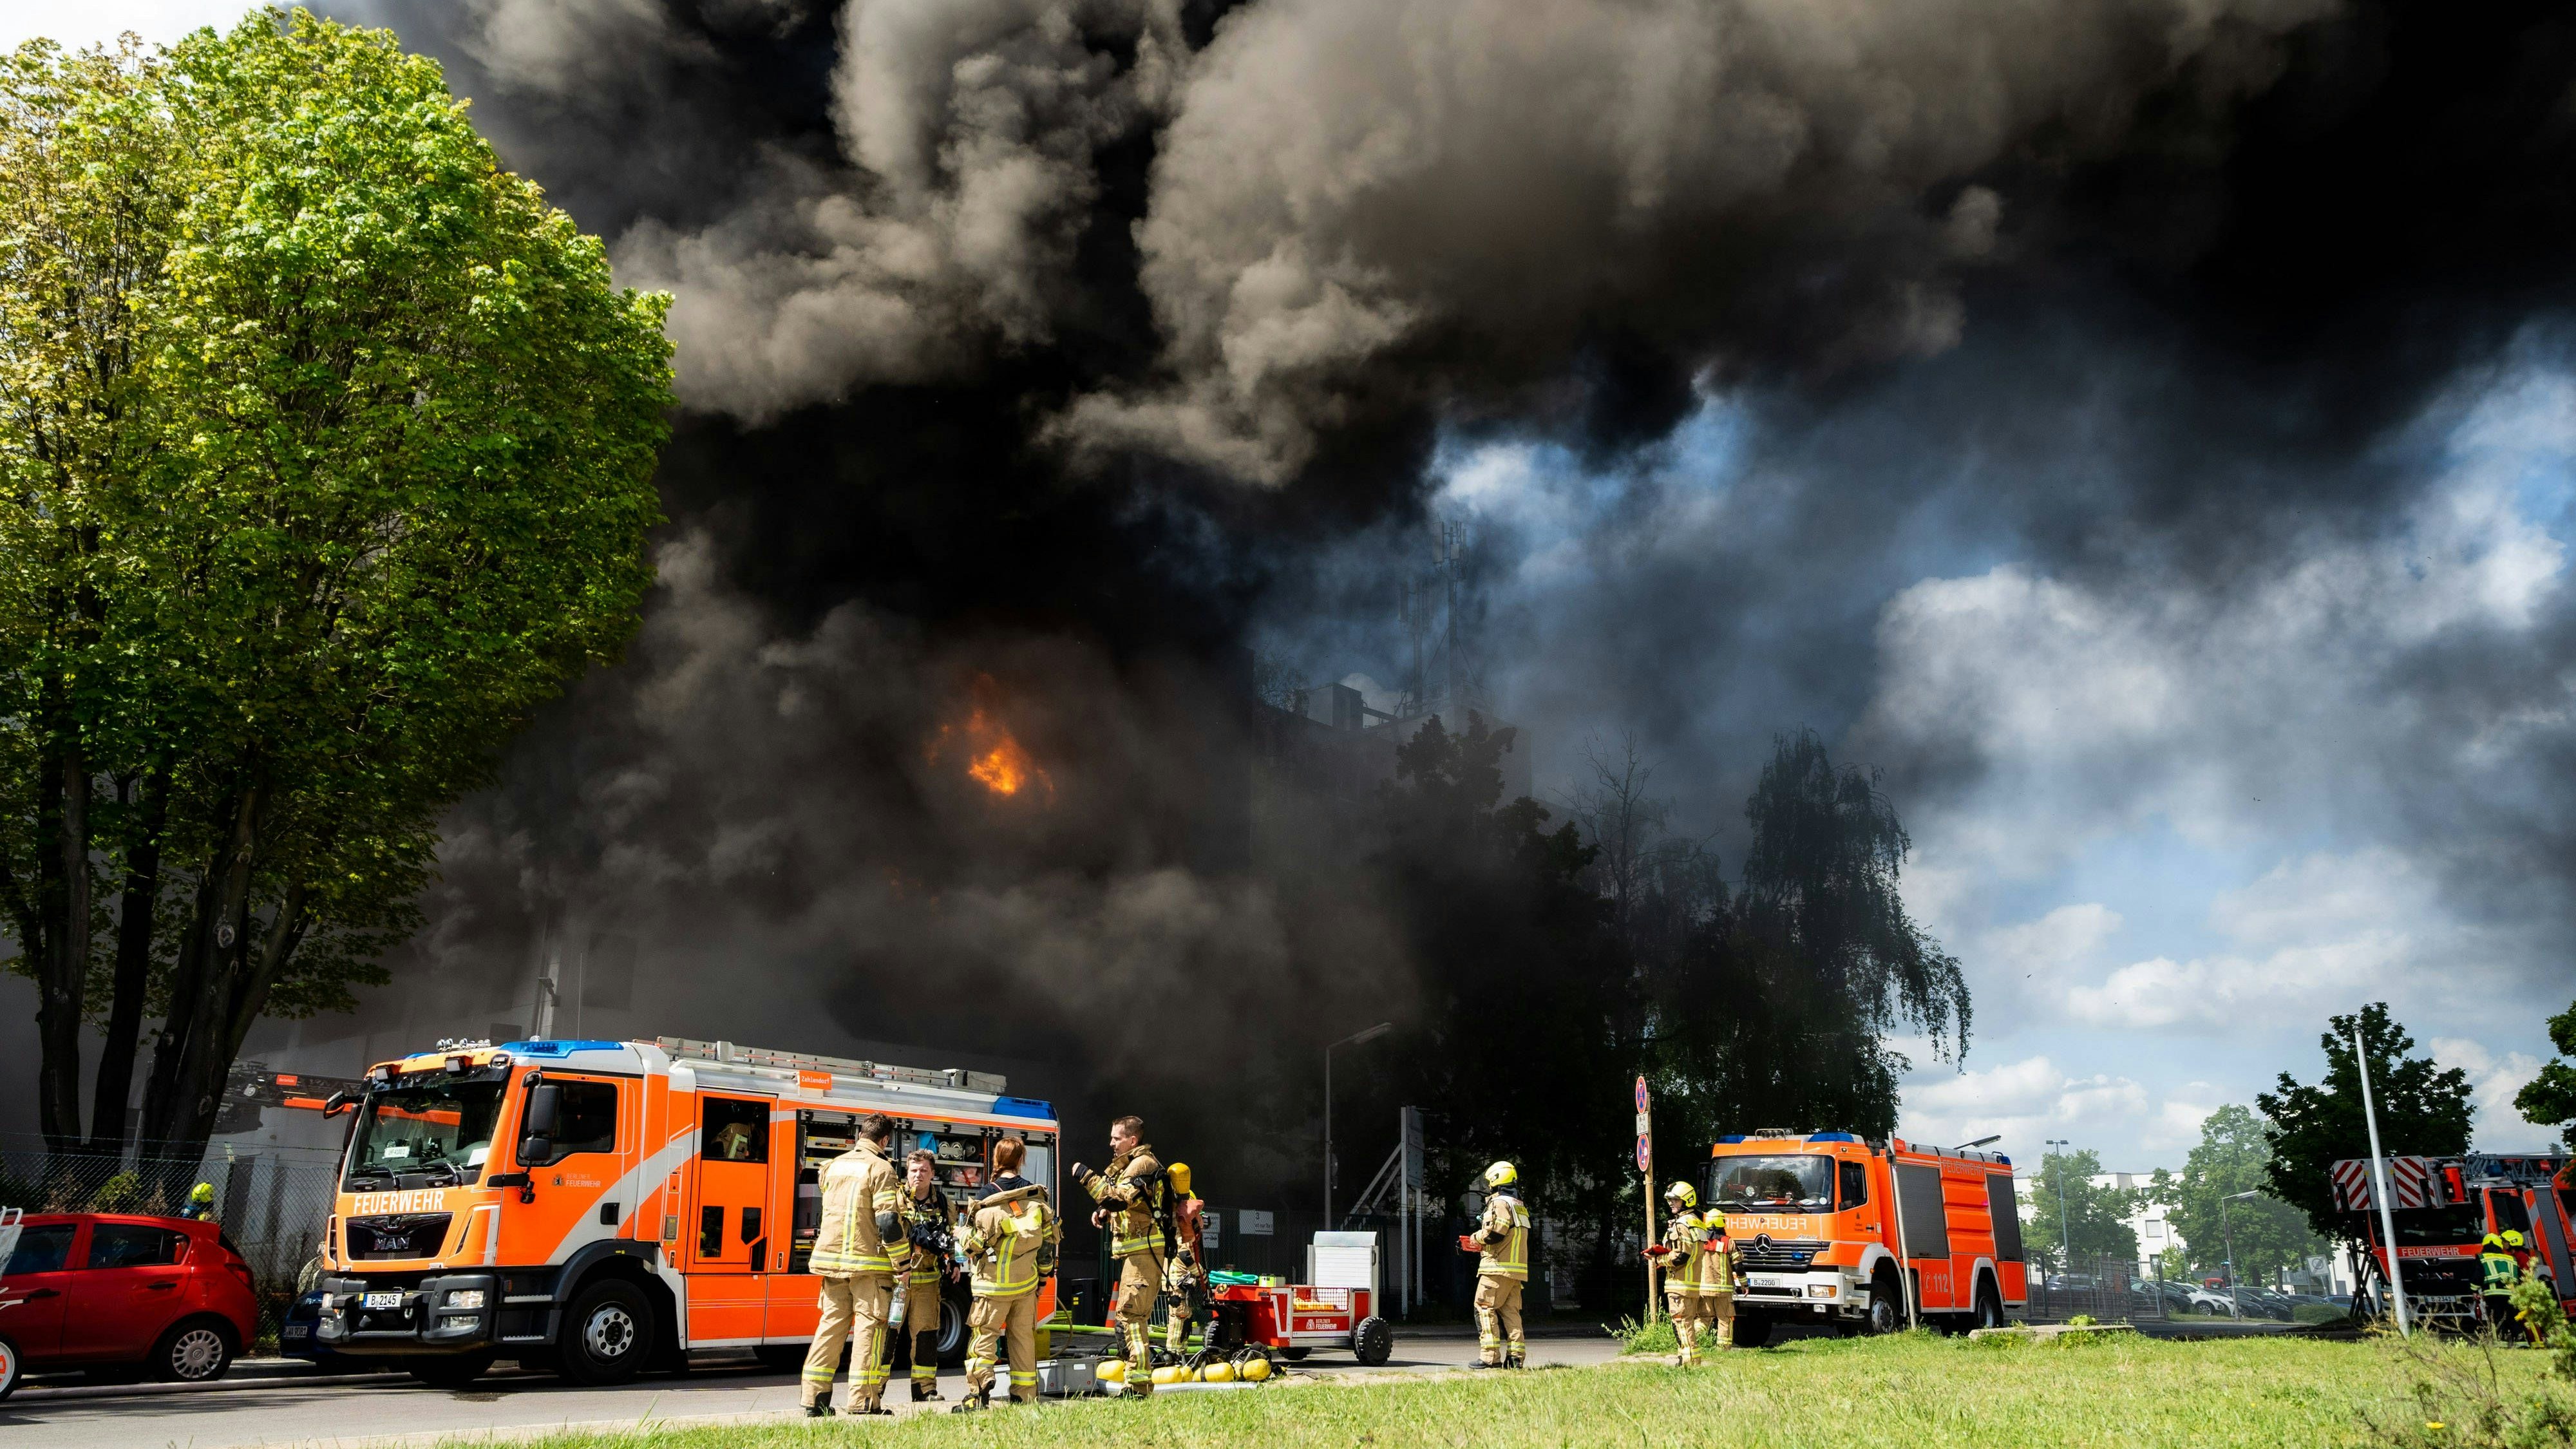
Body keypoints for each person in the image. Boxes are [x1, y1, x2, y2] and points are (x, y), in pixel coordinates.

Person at [802, 1112, 909, 1418]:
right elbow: (888, 1221)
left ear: (861, 1135)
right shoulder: (881, 1168)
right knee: (869, 1331)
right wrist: (902, 1263)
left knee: (830, 1328)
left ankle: (814, 1399)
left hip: (832, 1264)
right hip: (869, 1267)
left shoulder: (833, 1166)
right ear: (885, 1140)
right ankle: (863, 1402)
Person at [1074, 1115, 1167, 1397]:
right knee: (1129, 1316)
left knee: (1131, 1314)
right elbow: (1123, 1203)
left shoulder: (1143, 1164)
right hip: (1135, 1252)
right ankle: (1136, 1382)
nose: (1111, 1143)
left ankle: (1138, 1386)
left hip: (1145, 1252)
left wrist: (1085, 1176)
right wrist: (1105, 1212)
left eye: (1117, 1138)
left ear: (1132, 1140)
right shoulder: (1129, 1166)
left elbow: (1118, 1198)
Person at [952, 1178, 1053, 1411]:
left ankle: (978, 1395)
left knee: (984, 1338)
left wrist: (961, 1232)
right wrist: (1043, 1278)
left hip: (993, 1287)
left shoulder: (989, 1204)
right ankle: (1026, 1396)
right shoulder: (1036, 1202)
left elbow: (974, 1246)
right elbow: (1048, 1245)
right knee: (1023, 1341)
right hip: (1026, 1287)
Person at [1645, 1180, 1730, 1365]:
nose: (1671, 1204)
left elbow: (1681, 1255)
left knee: (1682, 1325)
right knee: (1687, 1324)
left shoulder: (1682, 1224)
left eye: (1675, 1200)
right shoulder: (1698, 1224)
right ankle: (1685, 1360)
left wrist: (1658, 1259)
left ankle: (1690, 1363)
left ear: (1687, 1201)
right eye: (1670, 1200)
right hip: (1692, 1286)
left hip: (1680, 1284)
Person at [1459, 1160, 1529, 1369]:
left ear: (1496, 1180)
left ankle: (1490, 1358)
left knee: (1484, 1307)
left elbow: (1495, 1233)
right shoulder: (1520, 1206)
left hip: (1497, 1268)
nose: (1488, 1186)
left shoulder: (1499, 1203)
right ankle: (1516, 1359)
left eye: (1489, 1182)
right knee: (1510, 1313)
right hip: (1516, 1272)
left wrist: (1475, 1239)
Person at [900, 1150, 954, 1402]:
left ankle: (925, 1390)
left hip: (928, 1281)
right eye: (913, 1170)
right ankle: (872, 1393)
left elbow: (952, 1238)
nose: (917, 1175)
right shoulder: (894, 1200)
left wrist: (952, 1262)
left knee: (926, 1336)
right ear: (906, 1172)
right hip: (896, 1281)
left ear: (932, 1173)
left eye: (923, 1170)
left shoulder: (944, 1204)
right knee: (885, 1337)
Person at [1164, 1162, 1208, 1355]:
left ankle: (1177, 1351)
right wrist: (1200, 1273)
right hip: (1179, 1277)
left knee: (1183, 1314)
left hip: (1175, 1276)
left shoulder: (1173, 1220)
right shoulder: (1181, 1226)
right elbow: (1184, 1254)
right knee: (1179, 1314)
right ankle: (1174, 1354)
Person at [2477, 1229, 2519, 1340]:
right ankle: (2520, 1339)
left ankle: (2501, 1339)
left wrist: (2473, 1290)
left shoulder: (2483, 1258)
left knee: (2497, 1317)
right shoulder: (2510, 1258)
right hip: (2510, 1293)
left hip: (2493, 1294)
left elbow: (2477, 1276)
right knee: (2512, 1316)